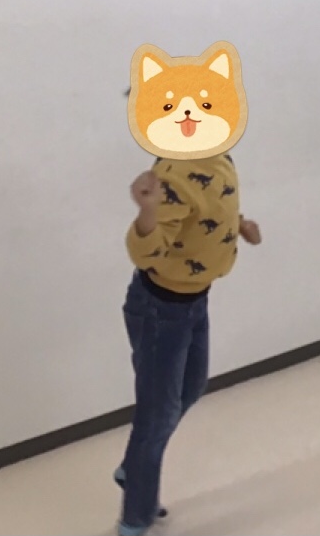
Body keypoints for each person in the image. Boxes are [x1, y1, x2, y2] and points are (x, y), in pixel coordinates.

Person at [115, 141, 262, 536]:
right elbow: (145, 252)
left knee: (192, 387)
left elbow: (214, 206)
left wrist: (239, 226)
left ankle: (134, 466)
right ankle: (135, 516)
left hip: (195, 301)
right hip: (160, 311)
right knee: (158, 413)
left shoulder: (221, 160)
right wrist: (148, 210)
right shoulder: (173, 176)